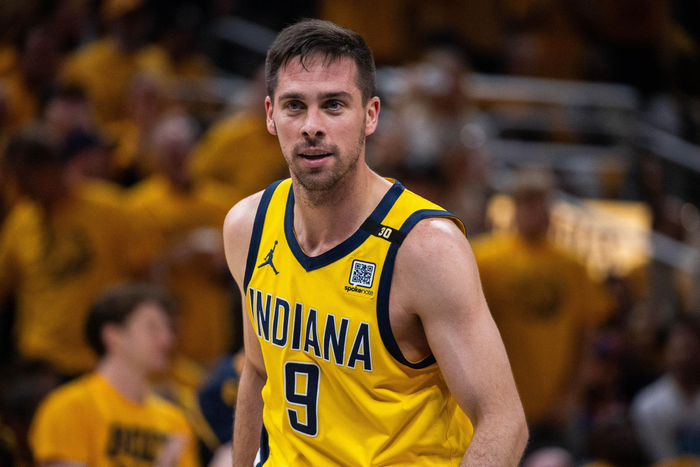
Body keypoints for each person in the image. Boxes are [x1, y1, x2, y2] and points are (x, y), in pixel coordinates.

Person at [223, 19, 527, 466]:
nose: (311, 126)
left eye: (333, 105)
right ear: (270, 115)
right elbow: (256, 371)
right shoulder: (248, 226)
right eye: (294, 105)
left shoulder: (426, 248)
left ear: (370, 115)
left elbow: (504, 422)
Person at [472, 170, 611, 449]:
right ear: (514, 206)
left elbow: (586, 337)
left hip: (556, 408)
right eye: (525, 202)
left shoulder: (572, 266)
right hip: (497, 405)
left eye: (539, 202)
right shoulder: (484, 258)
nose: (533, 211)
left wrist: (572, 397)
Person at [29, 282, 199, 467]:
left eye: (167, 329)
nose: (167, 339)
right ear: (113, 336)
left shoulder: (174, 420)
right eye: (152, 328)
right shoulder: (68, 407)